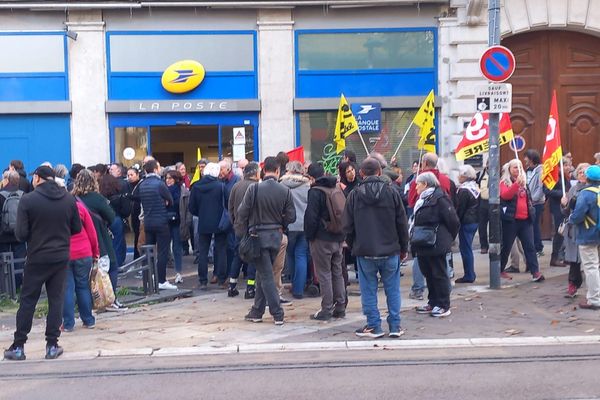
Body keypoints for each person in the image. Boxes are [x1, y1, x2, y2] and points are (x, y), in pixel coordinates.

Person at [4, 166, 81, 361]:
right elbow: (76, 228)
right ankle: (52, 345)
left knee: (28, 300)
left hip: (37, 256)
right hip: (61, 256)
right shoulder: (68, 199)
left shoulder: (28, 200)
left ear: (37, 178)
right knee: (56, 299)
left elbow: (21, 234)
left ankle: (19, 346)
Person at [344, 158, 409, 337]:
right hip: (390, 249)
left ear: (361, 174)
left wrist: (353, 245)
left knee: (368, 290)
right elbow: (402, 223)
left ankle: (373, 324)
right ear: (380, 172)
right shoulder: (392, 192)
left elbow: (347, 227)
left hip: (365, 250)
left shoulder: (355, 195)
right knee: (392, 289)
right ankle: (395, 325)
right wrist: (403, 247)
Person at [235, 156, 296, 325]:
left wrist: (245, 228)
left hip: (257, 237)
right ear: (277, 171)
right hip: (276, 237)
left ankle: (277, 313)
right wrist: (280, 224)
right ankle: (257, 311)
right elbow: (291, 216)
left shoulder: (254, 190)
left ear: (263, 170)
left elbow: (242, 212)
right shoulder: (285, 190)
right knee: (263, 274)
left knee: (266, 275)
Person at [73, 169, 126, 311]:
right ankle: (109, 299)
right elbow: (111, 216)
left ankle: (87, 303)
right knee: (112, 267)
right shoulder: (97, 198)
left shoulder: (72, 199)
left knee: (84, 273)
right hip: (100, 238)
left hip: (80, 240)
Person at [411, 172, 459, 318]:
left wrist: (447, 238)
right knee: (429, 273)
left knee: (439, 273)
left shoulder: (440, 198)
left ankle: (443, 304)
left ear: (425, 184)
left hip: (436, 242)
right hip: (423, 242)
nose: (416, 187)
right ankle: (433, 301)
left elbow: (453, 221)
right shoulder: (422, 200)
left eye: (418, 184)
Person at [304, 163, 347, 321]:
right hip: (338, 237)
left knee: (324, 274)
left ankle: (326, 309)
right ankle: (340, 306)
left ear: (311, 177)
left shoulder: (315, 192)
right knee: (337, 272)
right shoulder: (336, 187)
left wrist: (310, 236)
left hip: (322, 238)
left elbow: (311, 217)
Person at [134, 159, 177, 290]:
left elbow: (135, 196)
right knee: (162, 252)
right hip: (161, 221)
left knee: (149, 252)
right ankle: (162, 280)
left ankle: (150, 278)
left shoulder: (142, 184)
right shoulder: (159, 184)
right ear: (155, 169)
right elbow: (170, 200)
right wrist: (165, 201)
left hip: (148, 222)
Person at [499, 159, 544, 282]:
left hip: (525, 220)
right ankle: (500, 269)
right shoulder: (504, 182)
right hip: (511, 220)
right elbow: (505, 195)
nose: (517, 170)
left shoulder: (524, 182)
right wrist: (516, 185)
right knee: (506, 246)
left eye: (519, 167)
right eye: (515, 167)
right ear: (509, 169)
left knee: (530, 246)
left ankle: (535, 272)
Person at [62, 190, 99, 332]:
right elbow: (92, 232)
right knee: (83, 286)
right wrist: (96, 252)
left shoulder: (57, 210)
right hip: (84, 252)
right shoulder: (80, 208)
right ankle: (88, 320)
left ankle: (68, 324)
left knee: (67, 289)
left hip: (64, 253)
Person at [189, 162, 228, 288]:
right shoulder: (221, 186)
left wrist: (201, 214)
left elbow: (192, 207)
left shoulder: (196, 187)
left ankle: (203, 281)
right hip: (220, 223)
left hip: (204, 222)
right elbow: (227, 205)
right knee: (221, 250)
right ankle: (221, 279)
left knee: (203, 252)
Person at [568, 165, 600, 310]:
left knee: (591, 266)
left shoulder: (586, 194)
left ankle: (594, 299)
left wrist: (570, 219)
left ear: (587, 178)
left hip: (588, 234)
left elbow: (577, 216)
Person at [227, 162, 259, 298]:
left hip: (239, 228)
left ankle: (232, 286)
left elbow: (230, 207)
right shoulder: (256, 187)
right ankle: (250, 288)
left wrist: (235, 223)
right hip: (252, 228)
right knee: (252, 258)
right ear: (255, 173)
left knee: (238, 256)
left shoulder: (236, 186)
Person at [280, 161, 311, 300]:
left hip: (289, 226)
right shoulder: (308, 186)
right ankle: (299, 289)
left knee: (290, 255)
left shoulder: (282, 186)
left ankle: (293, 283)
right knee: (301, 256)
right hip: (304, 226)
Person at [561, 163, 590, 297]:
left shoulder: (594, 189)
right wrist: (564, 204)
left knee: (591, 261)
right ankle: (573, 284)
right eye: (580, 172)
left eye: (585, 172)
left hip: (590, 228)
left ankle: (593, 288)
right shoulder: (573, 189)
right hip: (574, 230)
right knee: (574, 259)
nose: (582, 174)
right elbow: (566, 212)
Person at [0, 170, 26, 289]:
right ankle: (18, 284)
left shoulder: (1, 194)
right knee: (19, 259)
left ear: (7, 180)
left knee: (3, 259)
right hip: (19, 233)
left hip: (3, 233)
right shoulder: (23, 195)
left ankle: (6, 287)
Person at [545, 158, 572, 266]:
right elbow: (547, 191)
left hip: (565, 207)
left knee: (565, 233)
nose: (568, 168)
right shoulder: (554, 177)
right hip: (557, 208)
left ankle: (564, 256)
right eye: (565, 165)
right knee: (558, 233)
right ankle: (554, 257)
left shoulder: (565, 177)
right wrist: (563, 193)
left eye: (569, 165)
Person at [455, 165, 480, 283]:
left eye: (460, 174)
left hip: (466, 222)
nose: (458, 176)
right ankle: (470, 273)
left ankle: (469, 274)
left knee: (465, 249)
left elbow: (460, 209)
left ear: (465, 176)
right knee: (467, 247)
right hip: (474, 220)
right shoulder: (475, 187)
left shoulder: (464, 190)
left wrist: (455, 223)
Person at [219, 158, 241, 287]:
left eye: (221, 169)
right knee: (225, 248)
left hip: (234, 219)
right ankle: (226, 274)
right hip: (224, 219)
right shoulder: (220, 181)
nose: (219, 172)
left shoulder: (236, 180)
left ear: (228, 169)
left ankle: (232, 276)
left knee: (233, 248)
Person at [524, 149, 546, 257]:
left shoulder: (540, 171)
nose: (525, 160)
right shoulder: (528, 170)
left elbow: (540, 188)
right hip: (529, 201)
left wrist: (533, 199)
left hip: (536, 203)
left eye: (526, 157)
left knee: (535, 225)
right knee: (531, 225)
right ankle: (536, 246)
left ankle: (538, 247)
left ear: (532, 159)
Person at [165, 170, 184, 284]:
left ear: (176, 179)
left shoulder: (181, 190)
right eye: (166, 178)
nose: (168, 180)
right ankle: (163, 275)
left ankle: (179, 273)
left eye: (170, 178)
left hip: (177, 222)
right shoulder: (163, 189)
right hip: (165, 221)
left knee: (177, 248)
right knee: (164, 248)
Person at [127, 167, 142, 259]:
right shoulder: (128, 185)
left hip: (139, 215)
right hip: (133, 215)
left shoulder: (140, 185)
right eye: (128, 175)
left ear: (137, 175)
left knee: (139, 237)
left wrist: (132, 197)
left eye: (132, 175)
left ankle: (137, 257)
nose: (129, 177)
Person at [477, 162, 490, 254]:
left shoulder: (499, 174)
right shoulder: (480, 174)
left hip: (495, 202)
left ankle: (496, 243)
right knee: (482, 226)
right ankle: (484, 246)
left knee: (495, 225)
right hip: (482, 202)